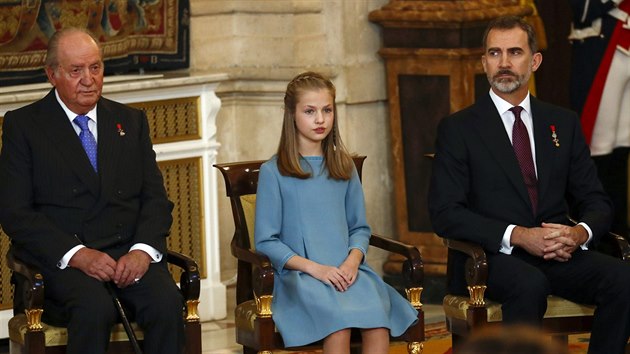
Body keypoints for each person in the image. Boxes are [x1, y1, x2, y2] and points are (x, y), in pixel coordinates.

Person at [428, 16, 630, 354]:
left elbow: (596, 200)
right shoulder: (458, 128)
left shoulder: (562, 123)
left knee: (623, 279)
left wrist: (578, 234)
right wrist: (519, 235)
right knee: (529, 284)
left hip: (557, 252)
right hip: (491, 257)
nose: (504, 63)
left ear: (534, 61)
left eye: (515, 52)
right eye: (494, 53)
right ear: (484, 62)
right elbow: (445, 214)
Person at [0, 28, 184, 354]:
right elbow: (16, 213)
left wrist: (142, 251)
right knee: (94, 308)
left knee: (166, 303)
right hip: (65, 262)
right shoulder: (24, 126)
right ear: (52, 74)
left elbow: (155, 199)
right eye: (76, 71)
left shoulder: (130, 121)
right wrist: (78, 255)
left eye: (95, 68)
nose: (89, 79)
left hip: (128, 254)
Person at [254, 72, 418, 354]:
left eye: (327, 110)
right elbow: (266, 241)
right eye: (310, 111)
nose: (320, 119)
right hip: (303, 278)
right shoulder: (274, 172)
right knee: (338, 323)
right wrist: (316, 269)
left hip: (349, 271)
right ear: (291, 114)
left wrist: (353, 263)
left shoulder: (344, 166)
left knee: (378, 321)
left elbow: (360, 228)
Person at [569, 0, 630, 235]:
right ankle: (599, 231)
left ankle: (620, 232)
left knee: (622, 147)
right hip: (602, 46)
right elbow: (583, 10)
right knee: (599, 149)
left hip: (624, 48)